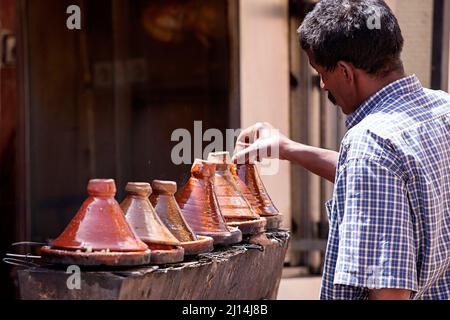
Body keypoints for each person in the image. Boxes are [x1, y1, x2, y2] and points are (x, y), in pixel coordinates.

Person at [233, 0, 450, 300]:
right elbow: (385, 180)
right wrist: (288, 148)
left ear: (346, 72)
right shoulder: (442, 108)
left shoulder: (370, 147)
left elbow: (390, 294)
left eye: (322, 72)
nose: (322, 85)